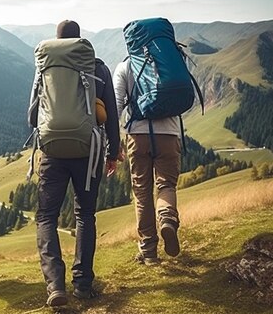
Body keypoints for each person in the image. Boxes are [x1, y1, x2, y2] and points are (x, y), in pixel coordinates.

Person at [29, 20, 120, 306]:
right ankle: (82, 284)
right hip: (88, 151)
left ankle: (55, 286)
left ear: (56, 41)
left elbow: (32, 115)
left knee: (46, 217)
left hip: (52, 152)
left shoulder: (44, 67)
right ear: (79, 41)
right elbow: (113, 116)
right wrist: (113, 152)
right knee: (84, 215)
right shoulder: (98, 67)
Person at [113, 52, 182, 266]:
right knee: (166, 185)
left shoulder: (125, 66)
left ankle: (149, 252)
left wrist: (114, 144)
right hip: (169, 134)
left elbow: (115, 105)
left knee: (142, 193)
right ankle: (167, 218)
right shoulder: (171, 62)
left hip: (138, 135)